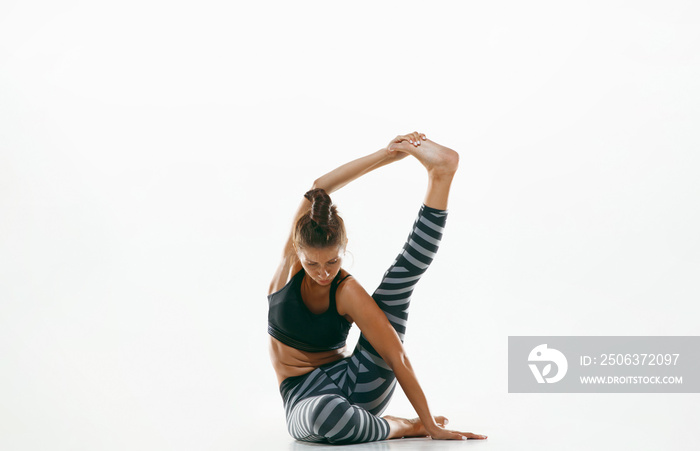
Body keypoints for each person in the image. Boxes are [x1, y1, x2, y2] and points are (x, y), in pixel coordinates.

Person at [267, 132, 487, 444]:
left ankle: (441, 175)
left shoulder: (346, 291)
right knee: (328, 414)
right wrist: (386, 155)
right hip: (305, 400)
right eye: (312, 264)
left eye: (332, 262)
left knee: (397, 285)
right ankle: (401, 427)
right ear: (297, 252)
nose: (323, 273)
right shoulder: (286, 273)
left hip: (357, 384)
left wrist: (432, 424)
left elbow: (396, 356)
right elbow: (319, 186)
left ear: (343, 247)